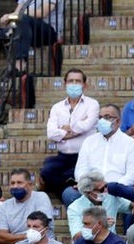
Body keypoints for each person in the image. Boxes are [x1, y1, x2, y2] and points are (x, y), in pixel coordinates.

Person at [66, 102, 134, 207]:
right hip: (91, 188)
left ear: (118, 121)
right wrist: (90, 187)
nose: (102, 121)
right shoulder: (89, 141)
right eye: (100, 117)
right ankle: (86, 223)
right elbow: (81, 169)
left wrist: (110, 187)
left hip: (119, 189)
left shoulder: (130, 143)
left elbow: (133, 173)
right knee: (69, 194)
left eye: (107, 117)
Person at [40, 68, 99, 198]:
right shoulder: (57, 107)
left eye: (78, 81)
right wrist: (78, 127)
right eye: (70, 81)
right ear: (64, 83)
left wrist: (64, 130)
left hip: (83, 156)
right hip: (62, 156)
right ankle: (67, 189)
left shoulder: (92, 104)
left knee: (75, 174)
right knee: (47, 171)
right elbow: (51, 133)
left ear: (85, 85)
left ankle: (63, 189)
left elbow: (87, 125)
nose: (74, 84)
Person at [0, 168, 53, 244]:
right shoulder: (5, 206)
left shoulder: (41, 197)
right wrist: (29, 236)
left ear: (30, 185)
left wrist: (13, 238)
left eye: (19, 182)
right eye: (12, 183)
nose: (15, 186)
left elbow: (41, 231)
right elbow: (2, 237)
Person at [1, 0, 64, 73]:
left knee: (23, 19)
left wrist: (11, 16)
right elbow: (16, 14)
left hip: (48, 32)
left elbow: (42, 13)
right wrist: (9, 21)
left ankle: (20, 65)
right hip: (26, 30)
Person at [64, 170, 127, 243]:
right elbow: (77, 237)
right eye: (101, 189)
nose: (106, 190)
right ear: (88, 192)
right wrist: (100, 226)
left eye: (106, 186)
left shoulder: (111, 197)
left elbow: (131, 206)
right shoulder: (74, 208)